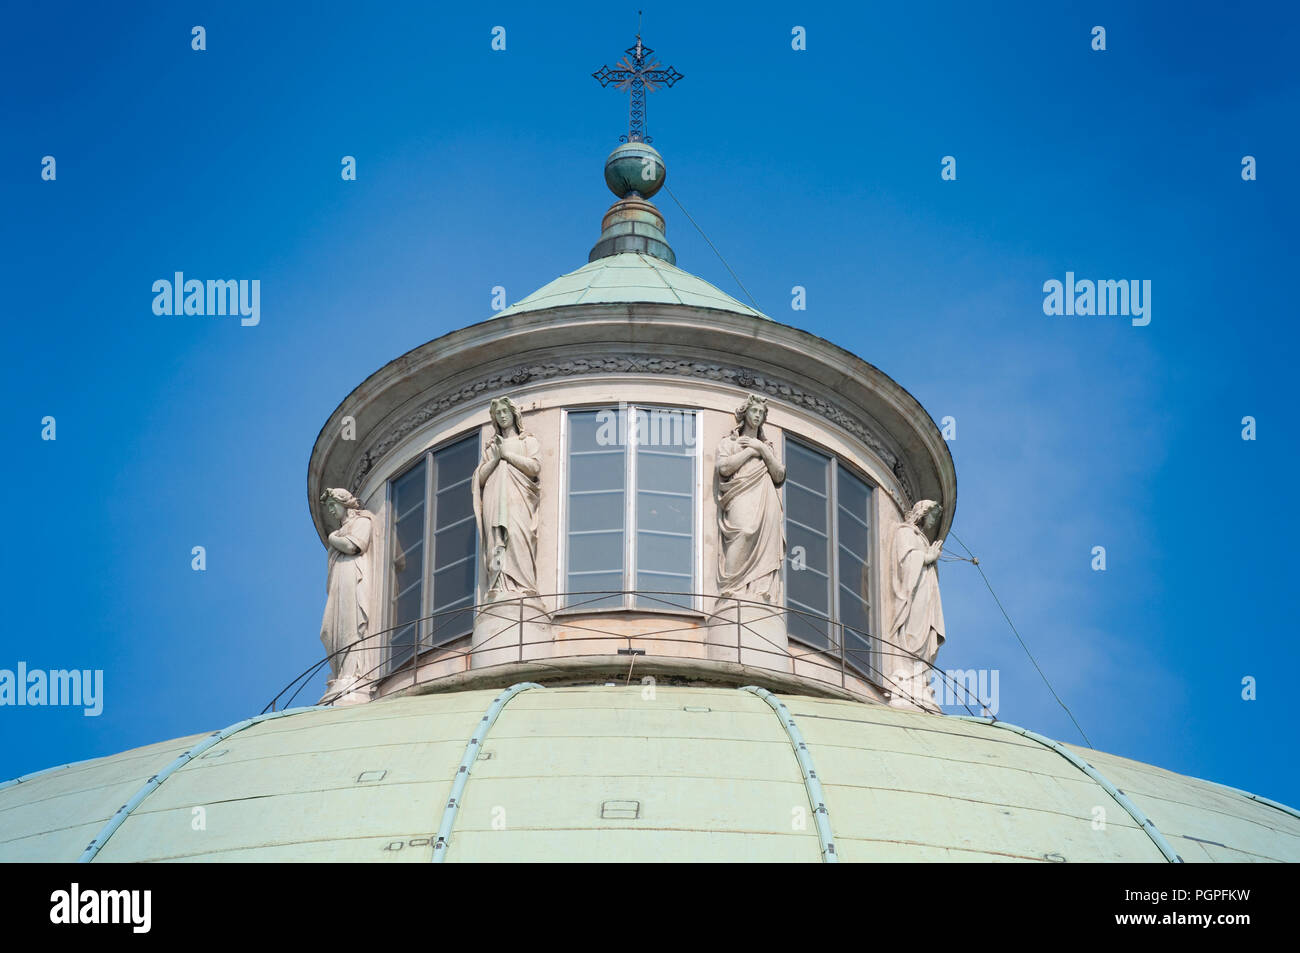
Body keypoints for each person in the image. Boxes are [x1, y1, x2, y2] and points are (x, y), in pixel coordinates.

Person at [715, 394, 786, 603]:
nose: (757, 415)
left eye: (761, 413)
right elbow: (725, 467)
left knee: (767, 540)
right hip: (740, 492)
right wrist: (751, 451)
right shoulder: (729, 443)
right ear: (745, 413)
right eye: (754, 411)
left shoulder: (768, 447)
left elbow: (779, 474)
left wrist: (762, 449)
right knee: (744, 531)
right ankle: (730, 587)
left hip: (766, 495)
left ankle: (760, 591)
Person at [472, 396, 542, 597]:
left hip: (518, 497)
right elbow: (481, 478)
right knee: (496, 539)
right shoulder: (492, 447)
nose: (502, 416)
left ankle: (522, 584)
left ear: (513, 414)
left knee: (518, 535)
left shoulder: (528, 441)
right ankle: (499, 584)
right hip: (495, 496)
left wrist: (507, 455)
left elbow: (535, 467)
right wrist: (496, 458)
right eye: (498, 414)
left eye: (505, 412)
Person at [888, 500, 946, 711]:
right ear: (923, 513)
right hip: (913, 590)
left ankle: (917, 673)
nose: (934, 521)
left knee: (923, 631)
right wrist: (926, 557)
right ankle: (905, 670)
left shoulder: (920, 538)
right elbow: (904, 561)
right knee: (912, 629)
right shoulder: (906, 532)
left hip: (925, 590)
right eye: (933, 516)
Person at [319, 487, 376, 700]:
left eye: (333, 505)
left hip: (353, 575)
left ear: (345, 504)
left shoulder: (362, 521)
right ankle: (342, 673)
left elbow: (353, 546)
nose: (331, 511)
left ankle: (352, 672)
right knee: (328, 630)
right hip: (339, 580)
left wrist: (333, 538)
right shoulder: (342, 531)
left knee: (352, 621)